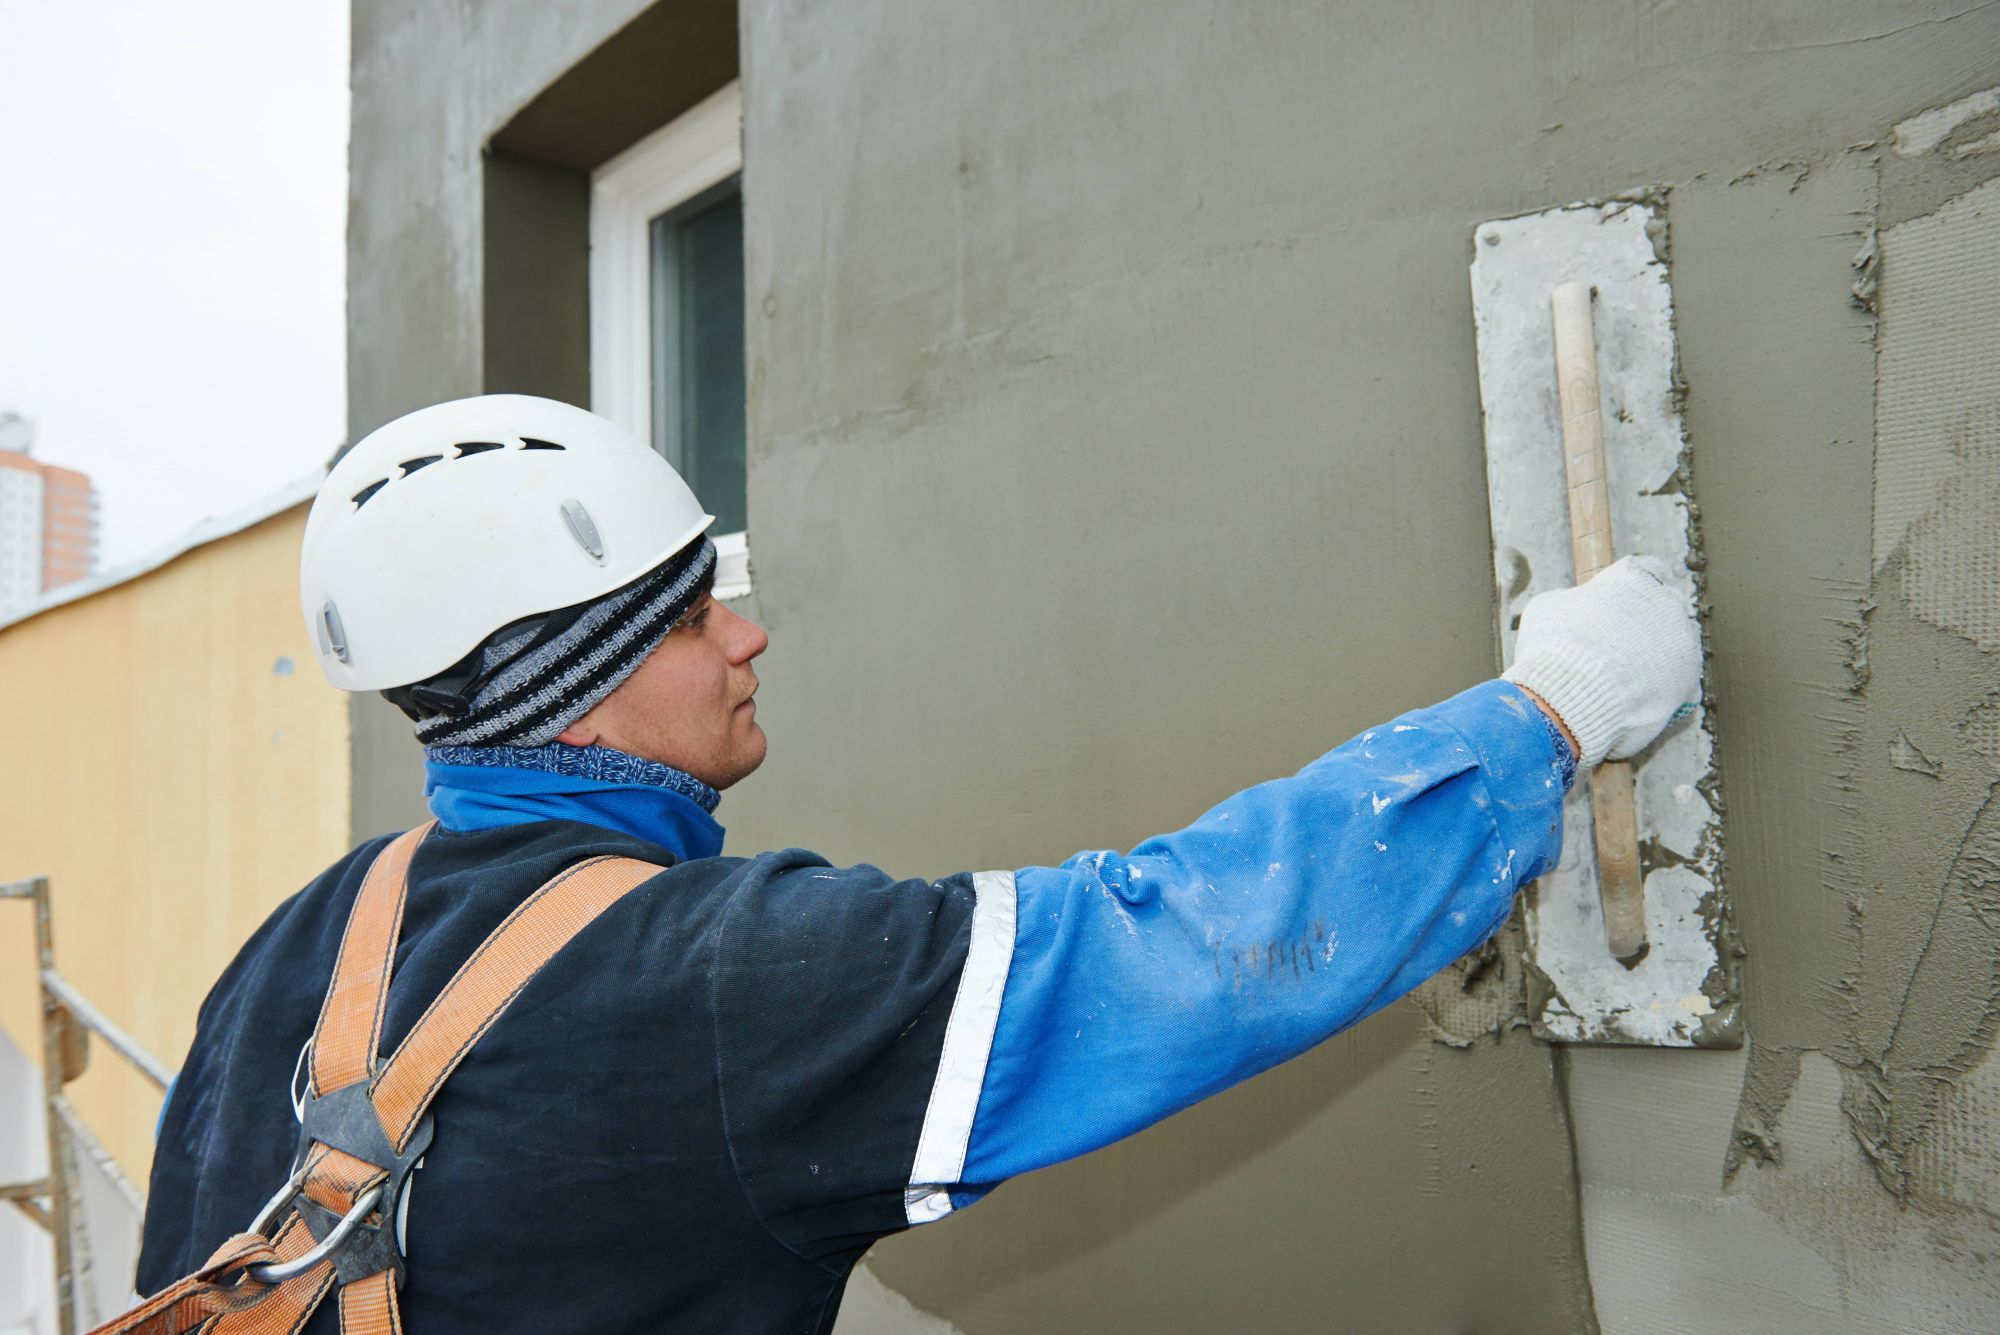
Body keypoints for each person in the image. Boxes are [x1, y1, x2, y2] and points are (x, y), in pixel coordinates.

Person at [135, 394, 1699, 1333]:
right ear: (579, 681)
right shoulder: (729, 979)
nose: (746, 634)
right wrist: (1546, 718)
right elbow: (1175, 951)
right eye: (690, 614)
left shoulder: (289, 947)